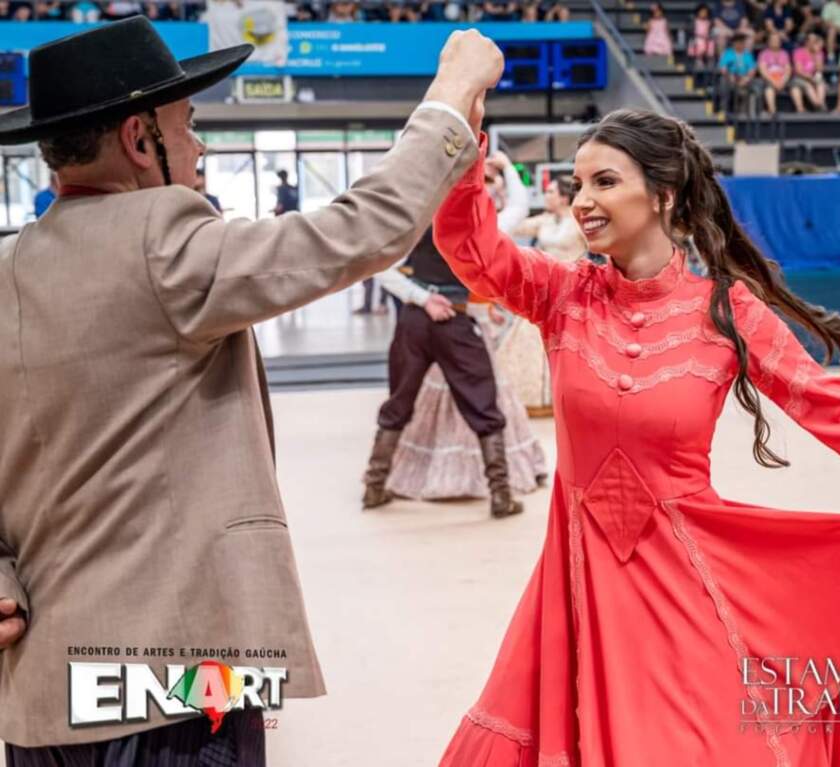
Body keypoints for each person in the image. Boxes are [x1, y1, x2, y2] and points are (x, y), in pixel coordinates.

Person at [432, 107, 840, 766]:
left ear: (664, 194)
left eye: (604, 182)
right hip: (574, 596)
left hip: (691, 586)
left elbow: (837, 410)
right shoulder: (560, 293)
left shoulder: (727, 310)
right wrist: (460, 120)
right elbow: (472, 250)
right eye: (579, 183)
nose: (584, 201)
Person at [0, 16, 502, 761]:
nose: (200, 147)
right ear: (141, 140)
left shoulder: (12, 268)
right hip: (169, 675)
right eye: (189, 125)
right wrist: (451, 95)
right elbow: (362, 230)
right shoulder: (162, 239)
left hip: (42, 696)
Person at [370, 152, 548, 502]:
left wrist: (421, 299)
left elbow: (380, 269)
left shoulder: (419, 222)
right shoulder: (478, 227)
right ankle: (501, 495)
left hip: (414, 321)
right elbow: (520, 207)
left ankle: (373, 487)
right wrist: (509, 167)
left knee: (400, 400)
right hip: (456, 319)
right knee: (483, 401)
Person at [498, 176, 587, 417]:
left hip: (571, 291)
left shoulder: (579, 222)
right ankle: (533, 400)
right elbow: (511, 225)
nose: (545, 196)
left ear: (563, 197)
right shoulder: (544, 221)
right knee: (527, 340)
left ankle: (567, 399)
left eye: (550, 192)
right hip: (542, 289)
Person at [716, 33, 762, 115]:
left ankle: (757, 112)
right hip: (731, 77)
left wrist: (747, 78)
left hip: (745, 78)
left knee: (758, 85)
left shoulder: (747, 54)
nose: (740, 44)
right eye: (738, 42)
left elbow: (752, 69)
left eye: (742, 42)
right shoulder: (727, 53)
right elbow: (723, 68)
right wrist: (730, 76)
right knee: (723, 82)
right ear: (734, 43)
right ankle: (723, 110)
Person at [757, 31, 792, 114]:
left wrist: (783, 81)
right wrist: (774, 81)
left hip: (783, 79)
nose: (775, 42)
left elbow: (788, 69)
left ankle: (800, 110)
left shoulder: (784, 53)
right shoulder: (764, 54)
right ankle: (772, 110)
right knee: (769, 88)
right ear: (768, 42)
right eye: (773, 40)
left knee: (795, 87)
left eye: (777, 40)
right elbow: (763, 70)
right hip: (770, 79)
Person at [791, 31, 828, 109]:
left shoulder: (819, 53)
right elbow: (798, 71)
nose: (815, 43)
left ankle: (820, 104)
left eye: (816, 41)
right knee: (808, 86)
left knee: (821, 84)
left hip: (814, 78)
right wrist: (811, 79)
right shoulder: (798, 52)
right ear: (807, 42)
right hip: (800, 78)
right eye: (813, 41)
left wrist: (816, 54)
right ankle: (819, 105)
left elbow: (819, 69)